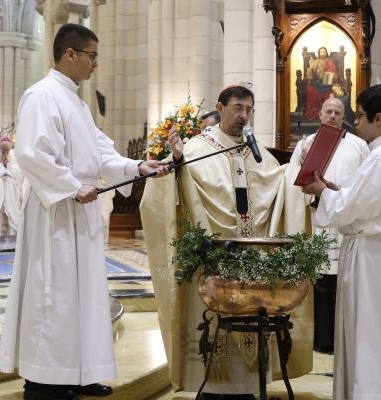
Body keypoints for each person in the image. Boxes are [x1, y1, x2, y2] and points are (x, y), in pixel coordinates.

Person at [0, 24, 170, 400]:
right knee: (54, 294)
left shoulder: (76, 102)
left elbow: (100, 151)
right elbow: (31, 153)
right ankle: (44, 381)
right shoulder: (41, 96)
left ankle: (79, 370)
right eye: (92, 56)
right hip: (56, 213)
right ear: (70, 54)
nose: (96, 64)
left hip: (83, 212)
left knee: (84, 295)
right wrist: (73, 187)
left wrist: (138, 167)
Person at [140, 85, 311, 399]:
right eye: (238, 108)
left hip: (251, 258)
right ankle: (213, 388)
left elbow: (277, 183)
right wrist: (177, 160)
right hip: (214, 259)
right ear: (220, 107)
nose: (244, 115)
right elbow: (173, 188)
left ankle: (247, 388)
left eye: (249, 109)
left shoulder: (256, 150)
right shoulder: (198, 147)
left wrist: (296, 172)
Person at [301, 83, 381, 400]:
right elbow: (363, 199)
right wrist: (335, 190)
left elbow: (351, 206)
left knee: (370, 334)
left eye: (361, 116)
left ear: (379, 119)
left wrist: (323, 192)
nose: (356, 122)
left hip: (371, 256)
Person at [288, 97, 368, 354]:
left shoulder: (359, 146)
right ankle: (321, 338)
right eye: (328, 111)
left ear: (344, 115)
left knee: (344, 278)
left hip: (345, 221)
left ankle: (345, 337)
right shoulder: (306, 144)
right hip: (318, 219)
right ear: (319, 114)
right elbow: (292, 180)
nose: (333, 116)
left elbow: (364, 183)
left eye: (337, 112)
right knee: (320, 279)